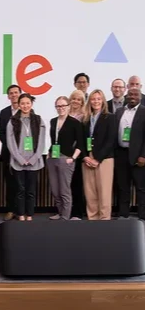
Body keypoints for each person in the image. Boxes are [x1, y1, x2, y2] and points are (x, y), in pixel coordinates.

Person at [6, 93, 45, 221]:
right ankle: (21, 214)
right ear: (18, 104)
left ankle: (30, 215)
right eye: (22, 103)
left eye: (28, 103)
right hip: (18, 162)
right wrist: (20, 159)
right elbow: (10, 142)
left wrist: (34, 158)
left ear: (31, 104)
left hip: (34, 162)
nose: (25, 105)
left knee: (31, 190)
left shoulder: (38, 120)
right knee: (20, 190)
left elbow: (41, 142)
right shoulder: (13, 121)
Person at [47, 96, 84, 221]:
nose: (61, 108)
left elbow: (80, 144)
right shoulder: (52, 121)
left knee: (64, 190)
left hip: (66, 158)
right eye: (58, 106)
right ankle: (60, 212)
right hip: (53, 158)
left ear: (68, 106)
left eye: (63, 105)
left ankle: (65, 216)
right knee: (55, 189)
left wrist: (73, 158)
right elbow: (53, 140)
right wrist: (49, 153)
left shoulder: (75, 123)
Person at [81, 89, 115, 220]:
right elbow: (82, 140)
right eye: (93, 99)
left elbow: (110, 140)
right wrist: (85, 156)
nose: (96, 101)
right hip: (88, 157)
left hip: (104, 158)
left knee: (104, 192)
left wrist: (98, 159)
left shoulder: (110, 117)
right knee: (90, 192)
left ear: (103, 101)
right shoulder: (86, 118)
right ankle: (92, 219)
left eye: (98, 99)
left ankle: (104, 220)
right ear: (89, 101)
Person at [114, 88, 145, 220]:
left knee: (141, 188)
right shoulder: (120, 111)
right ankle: (123, 214)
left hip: (138, 156)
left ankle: (143, 215)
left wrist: (143, 155)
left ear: (140, 97)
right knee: (123, 186)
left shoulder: (144, 111)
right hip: (121, 153)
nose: (132, 97)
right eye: (130, 94)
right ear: (126, 96)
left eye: (135, 95)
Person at [0, 84, 22, 221]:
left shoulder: (27, 110)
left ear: (20, 94)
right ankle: (10, 210)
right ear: (8, 96)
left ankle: (21, 211)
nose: (14, 95)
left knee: (21, 183)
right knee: (10, 182)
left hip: (24, 154)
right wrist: (12, 148)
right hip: (8, 153)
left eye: (16, 92)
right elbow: (1, 132)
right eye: (11, 93)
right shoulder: (4, 112)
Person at [68, 89, 86, 220]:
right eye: (73, 98)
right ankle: (65, 211)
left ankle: (77, 213)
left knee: (77, 184)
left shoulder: (85, 117)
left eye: (79, 99)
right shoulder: (65, 114)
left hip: (78, 156)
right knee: (66, 185)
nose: (75, 101)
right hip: (65, 155)